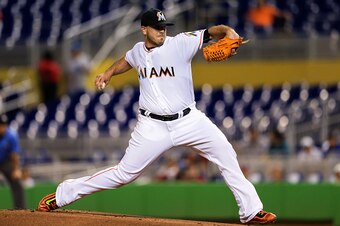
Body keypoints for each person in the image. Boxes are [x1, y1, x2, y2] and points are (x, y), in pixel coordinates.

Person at [37, 8, 276, 224]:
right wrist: (108, 72)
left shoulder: (181, 42)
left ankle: (251, 211)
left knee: (226, 153)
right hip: (151, 126)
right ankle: (62, 195)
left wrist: (229, 32)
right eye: (157, 27)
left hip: (188, 120)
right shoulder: (138, 51)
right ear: (144, 29)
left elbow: (213, 32)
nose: (162, 31)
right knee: (124, 174)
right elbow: (127, 60)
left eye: (164, 27)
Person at [0, 115, 26, 209]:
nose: (2, 127)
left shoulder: (11, 135)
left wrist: (16, 170)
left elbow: (14, 155)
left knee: (17, 183)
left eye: (3, 125)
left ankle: (20, 210)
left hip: (6, 161)